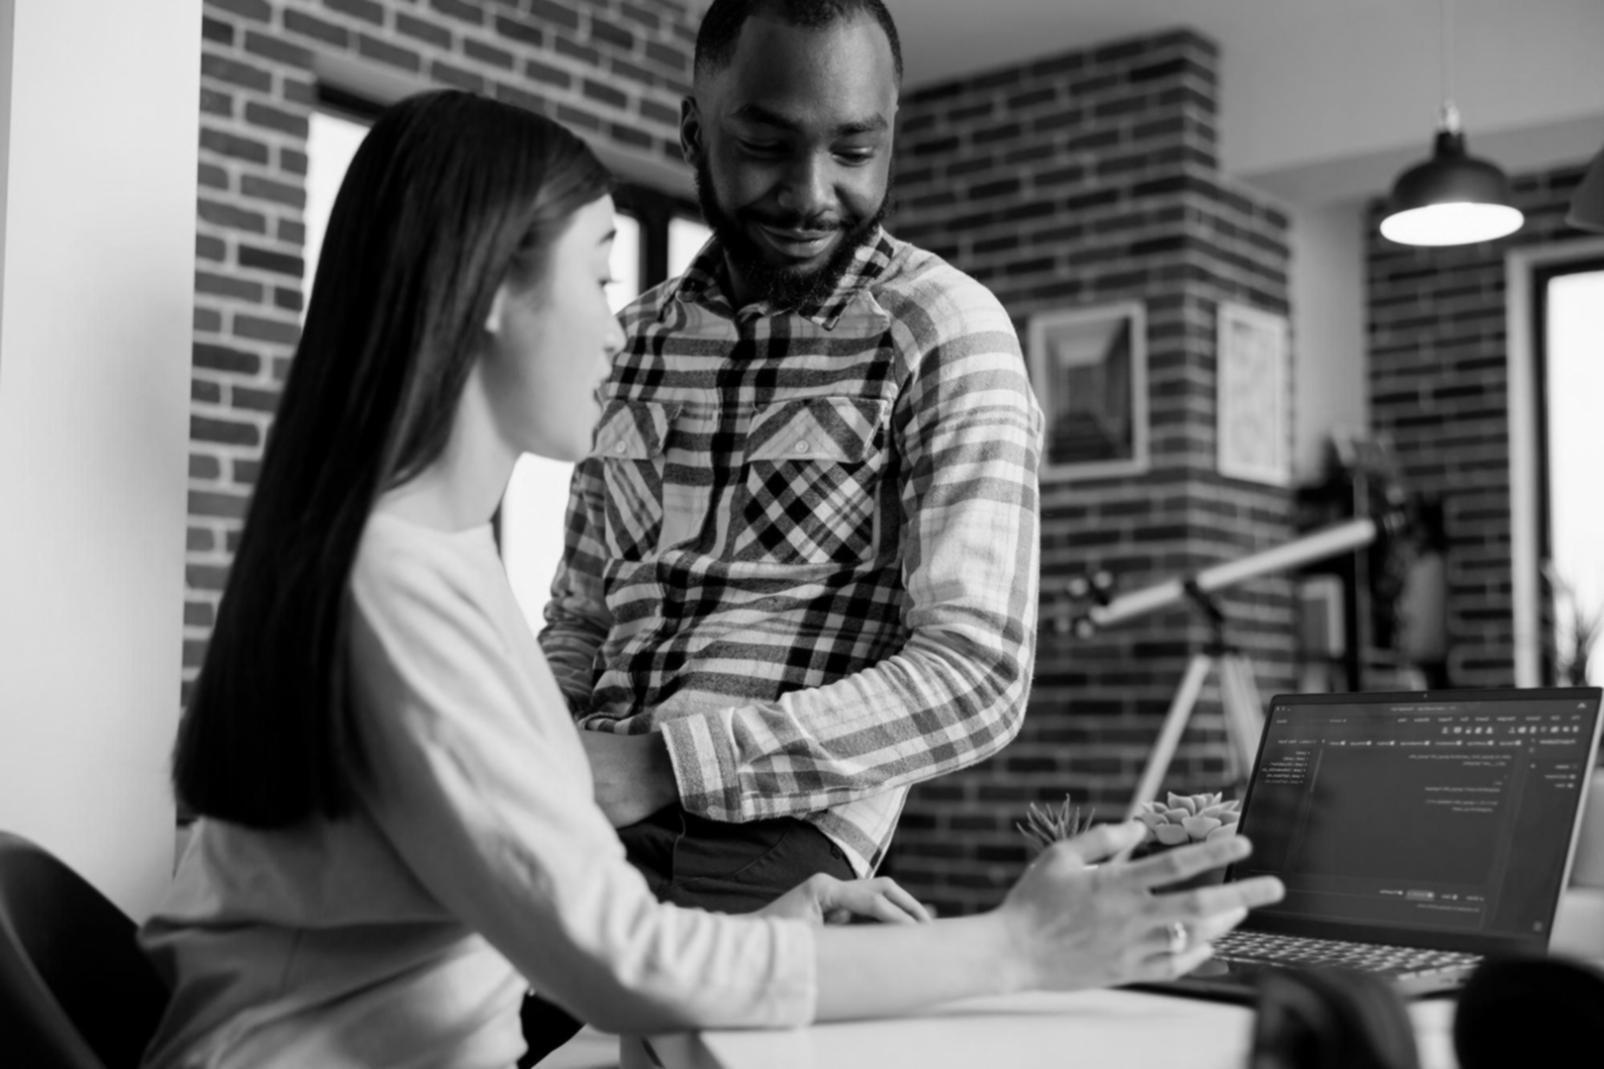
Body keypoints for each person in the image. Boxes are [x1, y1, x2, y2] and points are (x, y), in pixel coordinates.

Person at [137, 89, 1283, 1069]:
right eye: (595, 275)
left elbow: (544, 910)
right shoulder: (393, 585)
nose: (618, 328)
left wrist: (787, 915)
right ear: (490, 291)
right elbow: (620, 959)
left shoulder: (424, 557)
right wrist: (1017, 944)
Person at [539, 0, 1035, 946]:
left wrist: (658, 765)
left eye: (854, 151)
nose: (812, 193)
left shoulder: (942, 332)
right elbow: (583, 620)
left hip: (765, 835)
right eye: (767, 144)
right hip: (574, 799)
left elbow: (978, 675)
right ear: (695, 132)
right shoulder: (630, 340)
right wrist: (535, 752)